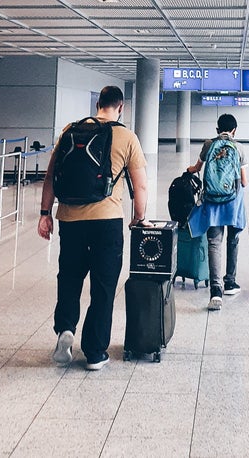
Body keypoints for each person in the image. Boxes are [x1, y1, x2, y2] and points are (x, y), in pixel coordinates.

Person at [37, 86, 150, 370]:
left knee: (70, 278)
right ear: (120, 108)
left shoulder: (69, 130)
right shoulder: (126, 136)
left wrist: (44, 213)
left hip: (70, 220)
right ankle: (95, 351)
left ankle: (65, 329)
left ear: (98, 103)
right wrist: (138, 217)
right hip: (107, 221)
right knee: (103, 286)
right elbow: (141, 185)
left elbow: (51, 176)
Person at [186, 113, 248, 311]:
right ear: (234, 130)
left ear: (216, 129)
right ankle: (230, 281)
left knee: (214, 242)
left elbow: (196, 167)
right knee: (233, 239)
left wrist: (189, 170)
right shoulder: (239, 147)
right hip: (233, 201)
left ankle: (216, 290)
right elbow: (244, 181)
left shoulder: (208, 144)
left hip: (213, 200)